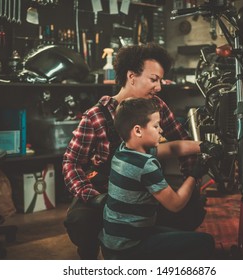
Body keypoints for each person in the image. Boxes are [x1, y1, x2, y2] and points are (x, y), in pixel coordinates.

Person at [62, 43, 222, 259]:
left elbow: (180, 142)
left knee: (190, 208)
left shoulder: (156, 106)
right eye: (153, 79)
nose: (159, 87)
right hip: (103, 190)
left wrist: (190, 178)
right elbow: (71, 163)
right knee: (81, 222)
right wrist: (92, 197)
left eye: (161, 81)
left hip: (146, 187)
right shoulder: (96, 117)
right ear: (131, 76)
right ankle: (92, 250)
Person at [99, 98, 215, 259]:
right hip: (129, 248)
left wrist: (203, 146)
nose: (161, 130)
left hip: (114, 241)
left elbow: (172, 148)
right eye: (155, 126)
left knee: (180, 234)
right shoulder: (145, 165)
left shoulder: (124, 151)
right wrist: (195, 174)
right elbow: (175, 204)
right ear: (138, 131)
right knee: (205, 242)